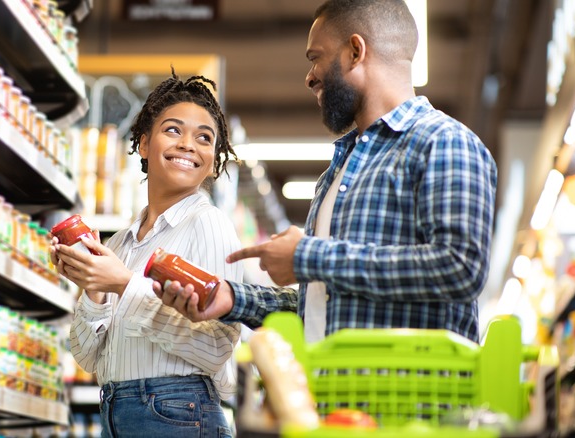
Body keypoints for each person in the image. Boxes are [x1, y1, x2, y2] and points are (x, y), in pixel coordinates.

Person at [155, 0, 498, 344]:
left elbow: (460, 267)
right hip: (333, 391)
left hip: (412, 394)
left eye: (315, 57)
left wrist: (308, 255)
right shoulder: (337, 172)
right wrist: (231, 298)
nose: (309, 77)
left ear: (354, 51)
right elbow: (321, 306)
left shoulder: (445, 142)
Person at [51, 69, 241, 437]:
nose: (189, 144)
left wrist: (124, 285)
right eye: (173, 130)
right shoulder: (119, 244)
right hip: (116, 412)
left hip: (179, 415)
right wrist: (93, 286)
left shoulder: (209, 225)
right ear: (143, 143)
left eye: (205, 138)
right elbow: (87, 357)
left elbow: (216, 345)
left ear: (213, 157)